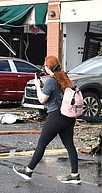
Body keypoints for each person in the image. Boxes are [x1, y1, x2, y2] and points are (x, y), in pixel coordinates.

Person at [14, 55, 81, 184]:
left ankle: (28, 171)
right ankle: (75, 175)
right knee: (69, 145)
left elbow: (42, 99)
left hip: (56, 116)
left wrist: (37, 86)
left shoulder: (51, 81)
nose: (44, 67)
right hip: (69, 116)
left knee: (42, 143)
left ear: (48, 67)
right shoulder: (65, 78)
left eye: (45, 65)